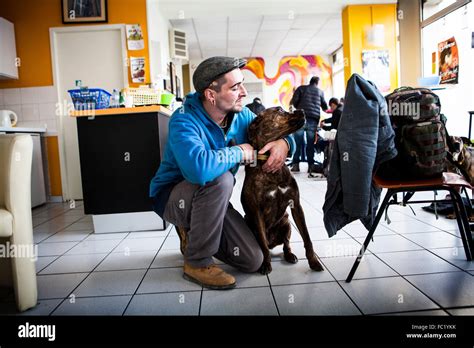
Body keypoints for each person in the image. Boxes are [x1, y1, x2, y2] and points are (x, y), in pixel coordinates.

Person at [149, 56, 294, 290]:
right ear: (210, 95)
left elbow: (274, 129)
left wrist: (284, 144)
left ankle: (197, 234)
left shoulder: (242, 116)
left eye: (242, 84)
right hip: (174, 197)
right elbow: (198, 170)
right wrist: (238, 151)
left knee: (253, 259)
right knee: (220, 177)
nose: (244, 93)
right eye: (235, 87)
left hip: (212, 201)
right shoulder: (184, 119)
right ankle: (197, 262)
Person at [289, 76, 328, 173]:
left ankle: (295, 165)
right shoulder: (320, 92)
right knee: (310, 144)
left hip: (301, 118)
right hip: (313, 119)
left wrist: (300, 108)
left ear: (310, 81)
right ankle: (311, 166)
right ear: (317, 83)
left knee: (298, 143)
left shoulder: (301, 88)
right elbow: (325, 107)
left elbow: (294, 102)